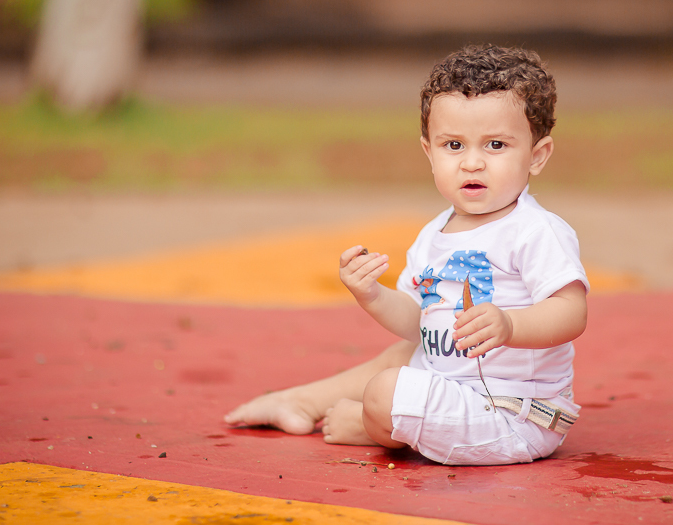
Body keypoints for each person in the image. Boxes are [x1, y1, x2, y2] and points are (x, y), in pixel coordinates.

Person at [224, 45, 588, 465]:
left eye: (495, 145)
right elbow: (418, 321)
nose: (472, 162)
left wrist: (510, 324)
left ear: (536, 156)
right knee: (402, 355)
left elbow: (571, 311)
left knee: (385, 389)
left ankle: (369, 424)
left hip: (511, 416)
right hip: (457, 393)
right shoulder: (434, 233)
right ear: (429, 152)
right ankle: (300, 401)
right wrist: (372, 295)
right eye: (453, 145)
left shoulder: (534, 230)